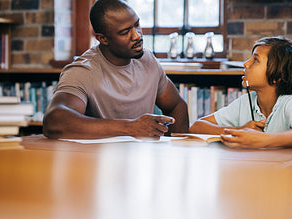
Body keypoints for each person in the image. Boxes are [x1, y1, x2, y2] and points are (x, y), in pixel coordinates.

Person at [43, 0, 189, 140]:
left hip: (142, 158)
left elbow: (177, 105)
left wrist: (175, 148)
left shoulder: (148, 61)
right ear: (103, 39)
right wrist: (132, 128)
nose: (137, 35)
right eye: (125, 32)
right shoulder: (83, 70)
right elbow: (55, 122)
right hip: (95, 161)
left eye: (137, 25)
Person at [189, 36, 292, 148]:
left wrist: (260, 139)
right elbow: (196, 127)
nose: (246, 64)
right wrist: (240, 130)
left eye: (256, 60)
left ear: (279, 75)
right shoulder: (245, 102)